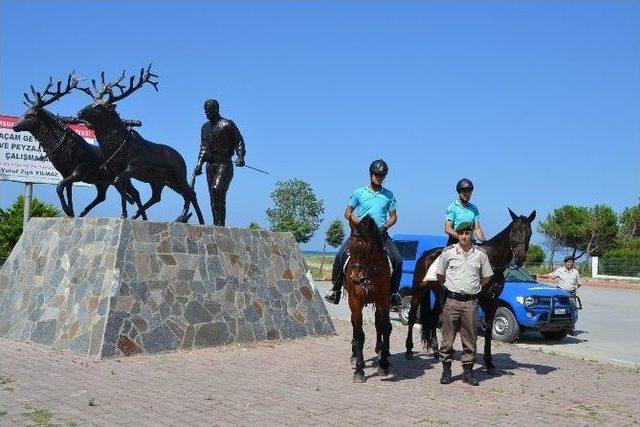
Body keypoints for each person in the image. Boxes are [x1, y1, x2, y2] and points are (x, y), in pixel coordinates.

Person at [324, 159, 403, 308]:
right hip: (360, 234)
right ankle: (335, 290)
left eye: (382, 175)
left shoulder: (389, 195)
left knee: (398, 260)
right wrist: (357, 222)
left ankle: (394, 294)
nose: (378, 177)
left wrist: (385, 226)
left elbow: (394, 217)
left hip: (380, 235)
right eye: (376, 174)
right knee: (341, 255)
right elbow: (347, 212)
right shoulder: (359, 192)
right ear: (370, 174)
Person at [436, 221, 493, 386]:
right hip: (451, 301)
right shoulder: (448, 253)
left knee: (470, 339)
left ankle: (468, 373)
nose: (464, 236)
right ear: (457, 235)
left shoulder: (480, 255)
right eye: (461, 233)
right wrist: (449, 287)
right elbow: (440, 275)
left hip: (470, 303)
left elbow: (487, 277)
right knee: (447, 339)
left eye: (467, 233)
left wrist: (476, 287)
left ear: (471, 235)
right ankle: (446, 372)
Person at [194, 99, 246, 226]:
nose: (206, 112)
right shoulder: (205, 127)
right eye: (205, 110)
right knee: (213, 196)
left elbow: (239, 141)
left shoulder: (227, 124)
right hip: (210, 166)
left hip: (224, 164)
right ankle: (217, 225)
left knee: (217, 190)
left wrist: (240, 157)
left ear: (216, 109)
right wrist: (199, 164)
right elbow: (203, 147)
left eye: (209, 110)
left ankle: (220, 225)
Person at [444, 178, 486, 246]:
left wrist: (485, 242)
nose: (467, 194)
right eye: (464, 192)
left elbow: (477, 229)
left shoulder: (474, 208)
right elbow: (447, 228)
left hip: (471, 242)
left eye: (469, 192)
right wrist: (462, 237)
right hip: (455, 242)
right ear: (459, 192)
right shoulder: (452, 207)